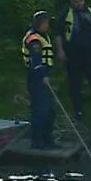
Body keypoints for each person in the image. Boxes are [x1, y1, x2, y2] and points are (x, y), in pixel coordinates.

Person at [58, 0, 91, 122]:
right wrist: (60, 50)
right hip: (73, 52)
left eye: (81, 0)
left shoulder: (90, 12)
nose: (79, 3)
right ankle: (78, 111)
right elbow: (58, 33)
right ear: (71, 1)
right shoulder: (66, 13)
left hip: (90, 53)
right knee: (75, 83)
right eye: (76, 1)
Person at [21, 10, 58, 149]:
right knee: (40, 111)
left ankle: (47, 139)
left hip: (43, 77)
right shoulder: (34, 39)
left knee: (49, 111)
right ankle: (37, 141)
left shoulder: (43, 36)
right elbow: (35, 61)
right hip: (36, 79)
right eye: (46, 23)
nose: (48, 25)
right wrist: (43, 76)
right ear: (40, 23)